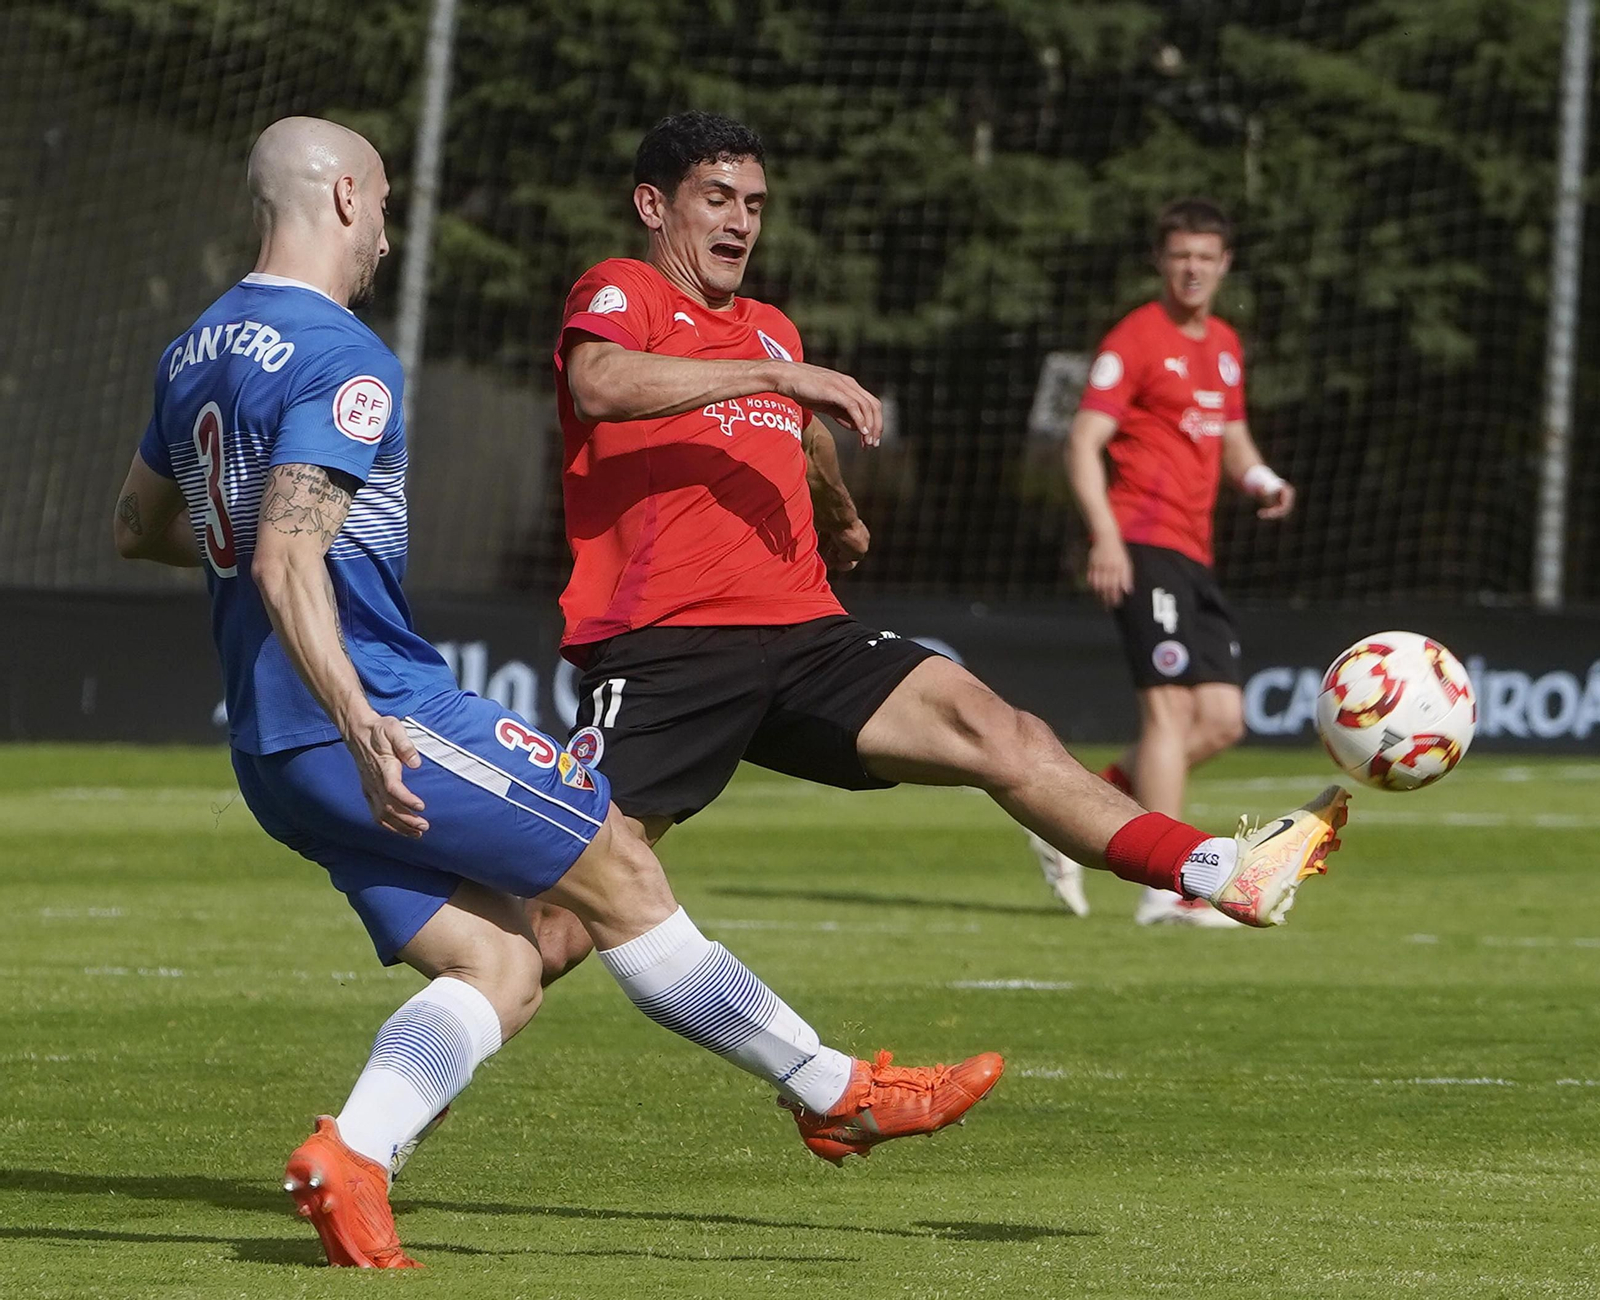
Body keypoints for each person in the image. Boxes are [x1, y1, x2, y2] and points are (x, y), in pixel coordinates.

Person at [112, 116, 1005, 1271]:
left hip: (270, 751)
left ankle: (355, 1156)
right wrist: (359, 712)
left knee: (503, 964)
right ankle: (831, 1087)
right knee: (621, 867)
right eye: (382, 202)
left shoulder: (192, 350)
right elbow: (286, 557)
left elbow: (142, 528)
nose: (387, 229)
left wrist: (270, 549)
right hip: (378, 712)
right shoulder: (343, 357)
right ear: (340, 200)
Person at [526, 111, 1348, 979]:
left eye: (756, 205)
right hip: (672, 642)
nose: (740, 223)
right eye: (717, 199)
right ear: (654, 206)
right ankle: (406, 1056)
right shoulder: (624, 291)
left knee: (1006, 734)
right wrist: (779, 374)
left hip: (806, 633)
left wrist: (838, 515)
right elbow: (600, 382)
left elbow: (801, 438)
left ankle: (1218, 869)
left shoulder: (773, 328)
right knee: (555, 935)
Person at [1040, 198, 1298, 927]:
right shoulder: (1136, 339)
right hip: (1142, 540)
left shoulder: (1224, 344)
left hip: (1194, 551)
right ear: (1161, 261)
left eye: (1205, 257)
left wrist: (1262, 481)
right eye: (1180, 254)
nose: (1192, 268)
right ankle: (1172, 886)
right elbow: (1083, 442)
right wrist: (1106, 537)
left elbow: (1234, 441)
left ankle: (1075, 806)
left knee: (1221, 719)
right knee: (1170, 709)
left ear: (1224, 266)